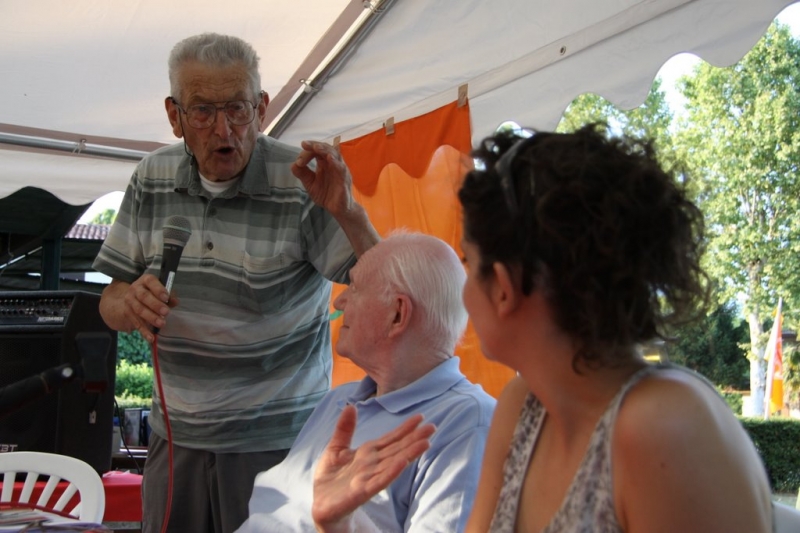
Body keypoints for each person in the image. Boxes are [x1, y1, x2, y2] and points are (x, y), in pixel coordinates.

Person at [311, 124, 775, 532]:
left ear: (504, 288)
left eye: (469, 262)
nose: (463, 293)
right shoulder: (525, 406)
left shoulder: (665, 429)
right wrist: (340, 523)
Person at [92, 32, 379, 533]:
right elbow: (109, 299)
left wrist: (350, 213)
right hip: (175, 441)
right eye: (203, 111)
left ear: (262, 108)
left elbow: (384, 286)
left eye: (238, 109)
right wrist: (129, 303)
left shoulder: (301, 181)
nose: (224, 130)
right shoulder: (151, 177)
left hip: (279, 445)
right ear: (175, 116)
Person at [235, 232, 496, 533]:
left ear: (397, 314)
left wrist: (343, 523)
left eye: (355, 287)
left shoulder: (467, 421)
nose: (339, 300)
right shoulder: (340, 399)